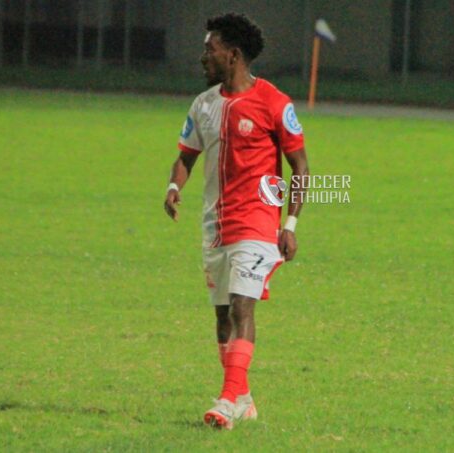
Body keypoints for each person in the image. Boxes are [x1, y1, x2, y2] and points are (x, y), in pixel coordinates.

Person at [163, 13, 309, 430]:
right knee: (223, 315)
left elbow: (300, 166)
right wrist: (173, 186)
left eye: (209, 49)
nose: (202, 57)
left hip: (258, 224)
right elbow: (186, 156)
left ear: (233, 55)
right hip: (216, 226)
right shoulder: (204, 105)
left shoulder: (274, 102)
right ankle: (243, 398)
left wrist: (290, 224)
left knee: (243, 305)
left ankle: (227, 400)